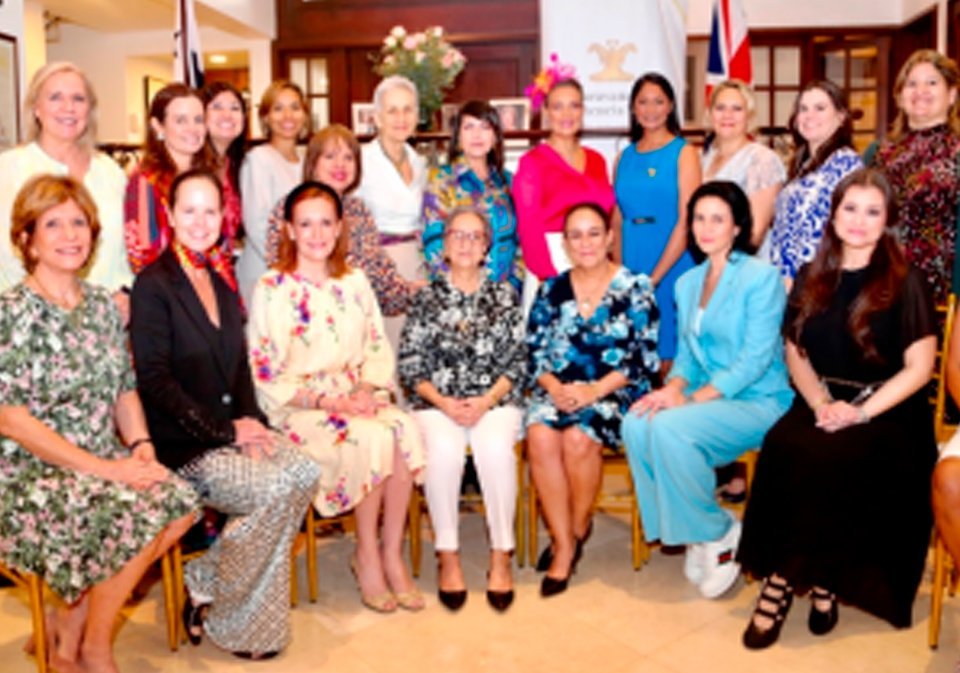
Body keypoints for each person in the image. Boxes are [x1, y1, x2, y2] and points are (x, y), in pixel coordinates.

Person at [0, 174, 197, 673]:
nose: (70, 235)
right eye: (53, 224)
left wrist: (140, 445)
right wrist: (107, 471)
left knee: (178, 502)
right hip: (27, 472)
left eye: (78, 222)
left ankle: (78, 627)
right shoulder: (10, 311)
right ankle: (86, 645)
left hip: (99, 456)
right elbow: (13, 421)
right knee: (125, 513)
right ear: (26, 238)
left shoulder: (102, 308)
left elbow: (124, 388)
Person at [737, 168, 937, 649]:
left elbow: (919, 370)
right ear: (833, 214)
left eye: (873, 212)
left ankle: (791, 580)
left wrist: (860, 413)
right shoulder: (813, 274)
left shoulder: (906, 281)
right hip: (824, 397)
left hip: (888, 410)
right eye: (850, 208)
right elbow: (795, 352)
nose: (859, 221)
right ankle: (804, 578)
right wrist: (822, 402)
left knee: (831, 457)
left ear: (887, 220)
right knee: (784, 444)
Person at [130, 169, 319, 659]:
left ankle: (208, 584)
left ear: (223, 217)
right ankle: (227, 607)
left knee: (303, 470)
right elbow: (154, 381)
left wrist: (256, 424)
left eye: (210, 211)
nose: (200, 221)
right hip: (185, 443)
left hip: (230, 430)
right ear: (169, 216)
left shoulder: (219, 279)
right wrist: (224, 431)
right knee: (275, 488)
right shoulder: (153, 285)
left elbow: (239, 367)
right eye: (188, 210)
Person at [248, 181, 426, 614]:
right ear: (289, 229)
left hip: (357, 396)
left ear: (340, 226)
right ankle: (365, 554)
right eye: (306, 223)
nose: (317, 233)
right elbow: (266, 370)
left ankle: (390, 552)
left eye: (326, 222)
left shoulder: (355, 280)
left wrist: (366, 389)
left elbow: (376, 344)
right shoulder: (272, 287)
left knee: (402, 427)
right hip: (302, 409)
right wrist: (331, 404)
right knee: (369, 438)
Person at [622, 181, 794, 599]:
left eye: (718, 218)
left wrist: (689, 399)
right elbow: (687, 357)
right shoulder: (687, 282)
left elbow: (754, 361)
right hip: (709, 397)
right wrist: (674, 387)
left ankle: (719, 533)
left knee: (670, 428)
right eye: (699, 218)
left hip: (759, 400)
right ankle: (696, 533)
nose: (706, 227)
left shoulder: (761, 277)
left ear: (737, 227)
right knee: (637, 421)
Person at [525, 202, 659, 597]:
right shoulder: (551, 289)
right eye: (576, 235)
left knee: (579, 438)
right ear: (565, 243)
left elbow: (643, 359)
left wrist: (593, 391)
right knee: (540, 434)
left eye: (594, 232)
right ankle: (564, 539)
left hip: (614, 392)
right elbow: (534, 354)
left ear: (610, 237)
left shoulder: (637, 287)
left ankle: (574, 533)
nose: (585, 242)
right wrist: (554, 388)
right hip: (559, 389)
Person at [398, 208, 526, 612]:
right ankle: (447, 555)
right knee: (444, 455)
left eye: (475, 236)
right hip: (438, 403)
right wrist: (444, 403)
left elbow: (518, 362)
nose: (466, 243)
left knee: (494, 453)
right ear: (445, 244)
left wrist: (486, 401)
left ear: (488, 245)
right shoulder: (428, 297)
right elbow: (410, 365)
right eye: (458, 235)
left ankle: (501, 555)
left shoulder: (504, 295)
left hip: (495, 401)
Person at [0, 62, 131, 306]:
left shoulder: (111, 173)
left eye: (78, 99)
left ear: (89, 110)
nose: (68, 108)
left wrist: (127, 293)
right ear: (36, 108)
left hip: (105, 321)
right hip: (25, 325)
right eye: (55, 97)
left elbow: (129, 250)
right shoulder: (7, 170)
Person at [263, 124, 419, 316]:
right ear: (313, 163)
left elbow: (378, 270)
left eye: (348, 158)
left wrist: (412, 292)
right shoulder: (289, 206)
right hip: (304, 318)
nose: (340, 164)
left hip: (355, 320)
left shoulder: (358, 210)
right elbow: (278, 266)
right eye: (330, 156)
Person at [614, 72, 701, 363]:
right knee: (633, 351)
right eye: (643, 102)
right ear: (633, 108)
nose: (650, 110)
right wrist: (617, 273)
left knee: (670, 354)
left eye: (658, 102)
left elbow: (687, 218)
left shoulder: (684, 153)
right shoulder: (623, 156)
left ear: (670, 107)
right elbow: (616, 216)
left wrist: (655, 278)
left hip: (672, 259)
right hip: (631, 257)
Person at [514, 71, 615, 306]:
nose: (567, 114)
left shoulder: (597, 159)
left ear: (583, 110)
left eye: (574, 106)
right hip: (552, 261)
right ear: (546, 112)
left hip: (596, 260)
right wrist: (549, 278)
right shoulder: (532, 163)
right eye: (558, 107)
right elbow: (528, 226)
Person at [870, 49, 960, 305]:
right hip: (878, 280)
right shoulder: (877, 153)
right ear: (899, 96)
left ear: (951, 94)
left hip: (936, 288)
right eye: (911, 84)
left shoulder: (957, 151)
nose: (920, 90)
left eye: (931, 82)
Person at [355, 75, 427, 349]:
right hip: (377, 265)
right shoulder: (361, 160)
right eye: (392, 110)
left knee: (415, 348)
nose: (401, 118)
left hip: (417, 264)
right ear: (378, 117)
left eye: (408, 109)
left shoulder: (418, 161)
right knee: (385, 349)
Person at [768, 80, 862, 284]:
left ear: (841, 116)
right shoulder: (802, 165)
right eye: (803, 109)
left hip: (821, 282)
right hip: (786, 283)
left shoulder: (847, 164)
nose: (809, 116)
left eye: (820, 108)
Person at [422, 100, 521, 291]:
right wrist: (457, 290)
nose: (477, 135)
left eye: (485, 127)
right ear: (458, 137)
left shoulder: (509, 182)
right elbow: (433, 243)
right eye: (469, 127)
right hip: (457, 294)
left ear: (495, 138)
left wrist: (513, 285)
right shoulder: (441, 180)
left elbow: (521, 241)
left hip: (506, 294)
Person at [125, 83, 213, 275]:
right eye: (181, 120)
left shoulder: (206, 176)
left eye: (198, 120)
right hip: (166, 293)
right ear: (158, 126)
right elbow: (142, 255)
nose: (193, 128)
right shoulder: (146, 180)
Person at [237, 80, 309, 302]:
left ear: (305, 115)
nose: (288, 115)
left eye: (295, 107)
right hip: (268, 273)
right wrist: (291, 266)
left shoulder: (307, 160)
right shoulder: (258, 158)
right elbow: (257, 225)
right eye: (278, 108)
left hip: (304, 272)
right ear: (266, 117)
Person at [700, 79, 785, 253]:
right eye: (720, 108)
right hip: (710, 261)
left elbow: (755, 234)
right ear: (710, 114)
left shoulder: (762, 160)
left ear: (749, 116)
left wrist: (727, 272)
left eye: (737, 109)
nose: (727, 115)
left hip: (744, 266)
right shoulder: (704, 159)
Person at [201, 81, 248, 260]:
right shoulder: (190, 166)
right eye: (217, 107)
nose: (227, 115)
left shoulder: (236, 165)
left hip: (227, 267)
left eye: (235, 108)